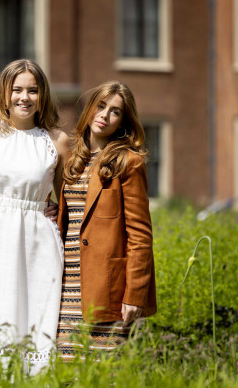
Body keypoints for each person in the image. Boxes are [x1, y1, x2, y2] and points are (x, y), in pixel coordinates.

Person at [0, 59, 69, 371]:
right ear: (4, 92)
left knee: (34, 322)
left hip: (37, 244)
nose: (24, 97)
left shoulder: (56, 140)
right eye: (17, 90)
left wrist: (52, 209)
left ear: (43, 95)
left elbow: (68, 198)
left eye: (32, 90)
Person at [56, 81, 156, 361]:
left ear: (123, 121)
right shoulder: (72, 159)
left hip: (107, 286)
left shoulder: (129, 162)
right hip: (67, 286)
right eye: (101, 106)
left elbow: (140, 234)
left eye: (115, 111)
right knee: (67, 368)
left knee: (106, 371)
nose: (104, 115)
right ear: (90, 109)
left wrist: (135, 295)